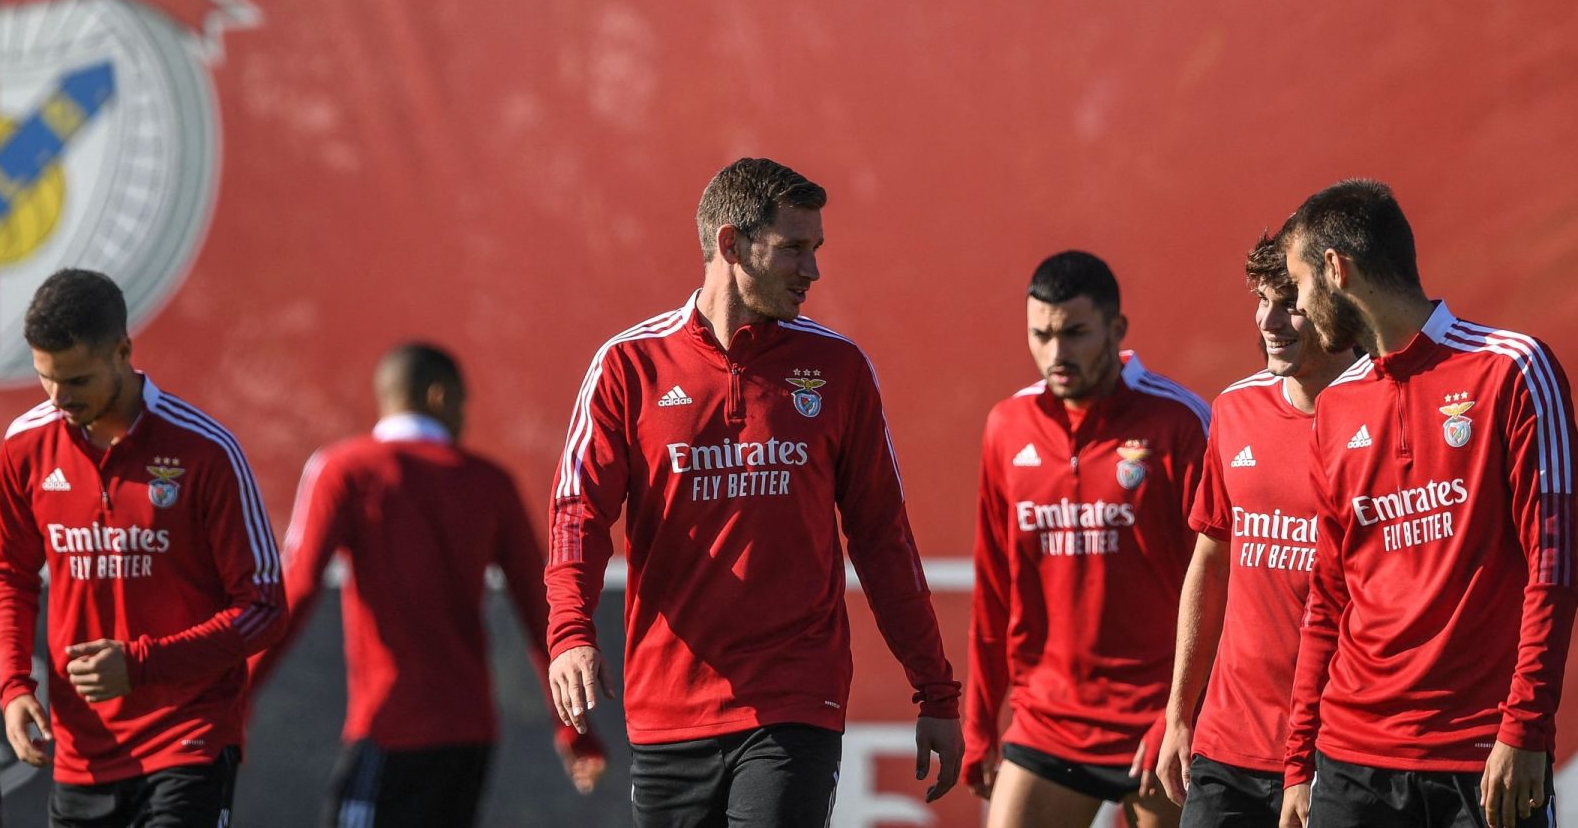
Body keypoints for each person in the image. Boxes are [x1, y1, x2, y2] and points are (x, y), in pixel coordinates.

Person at [546, 156, 963, 827]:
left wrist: (935, 692)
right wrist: (570, 632)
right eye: (795, 248)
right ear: (731, 244)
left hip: (796, 698)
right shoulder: (628, 364)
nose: (813, 271)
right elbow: (580, 512)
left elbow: (883, 539)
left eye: (817, 250)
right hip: (667, 706)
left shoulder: (838, 369)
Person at [1278, 179, 1576, 828]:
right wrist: (1300, 763)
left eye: (1300, 284)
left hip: (1481, 760)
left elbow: (1553, 567)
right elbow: (1328, 595)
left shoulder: (1514, 370)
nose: (1297, 308)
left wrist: (1524, 728)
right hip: (1350, 764)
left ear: (1337, 269)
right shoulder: (1334, 409)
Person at [252, 343, 607, 826]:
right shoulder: (491, 483)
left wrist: (233, 698)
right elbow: (541, 610)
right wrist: (574, 730)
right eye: (464, 402)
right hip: (470, 738)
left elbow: (294, 591)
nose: (465, 417)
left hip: (389, 728)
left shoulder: (344, 469)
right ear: (440, 397)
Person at [0, 268, 284, 828]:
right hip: (81, 751)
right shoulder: (26, 444)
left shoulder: (205, 450)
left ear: (123, 351)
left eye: (75, 380)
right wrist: (13, 686)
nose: (58, 397)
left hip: (188, 738)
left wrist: (144, 664)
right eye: (45, 378)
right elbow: (8, 574)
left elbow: (265, 611)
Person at [965, 250, 1208, 828]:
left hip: (1157, 723)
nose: (1056, 353)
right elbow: (995, 590)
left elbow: (1224, 586)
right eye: (1040, 335)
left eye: (1074, 333)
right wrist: (978, 723)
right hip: (1047, 721)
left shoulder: (1178, 424)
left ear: (1116, 329)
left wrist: (1180, 714)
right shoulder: (1007, 427)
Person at [1151, 234, 1358, 824]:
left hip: (1342, 753)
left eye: (1289, 302)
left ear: (1334, 299)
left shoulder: (1389, 411)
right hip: (1227, 747)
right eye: (1261, 299)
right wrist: (1180, 715)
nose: (1269, 320)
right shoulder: (1234, 410)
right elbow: (1210, 565)